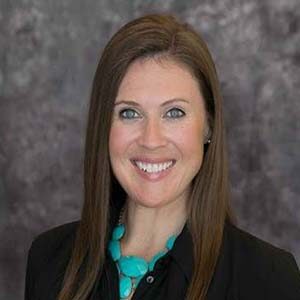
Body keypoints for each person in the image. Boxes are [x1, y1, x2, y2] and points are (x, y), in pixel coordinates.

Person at [24, 14, 300, 300]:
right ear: (103, 126)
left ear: (209, 125)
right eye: (129, 113)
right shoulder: (49, 260)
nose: (151, 140)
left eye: (174, 113)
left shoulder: (269, 278)